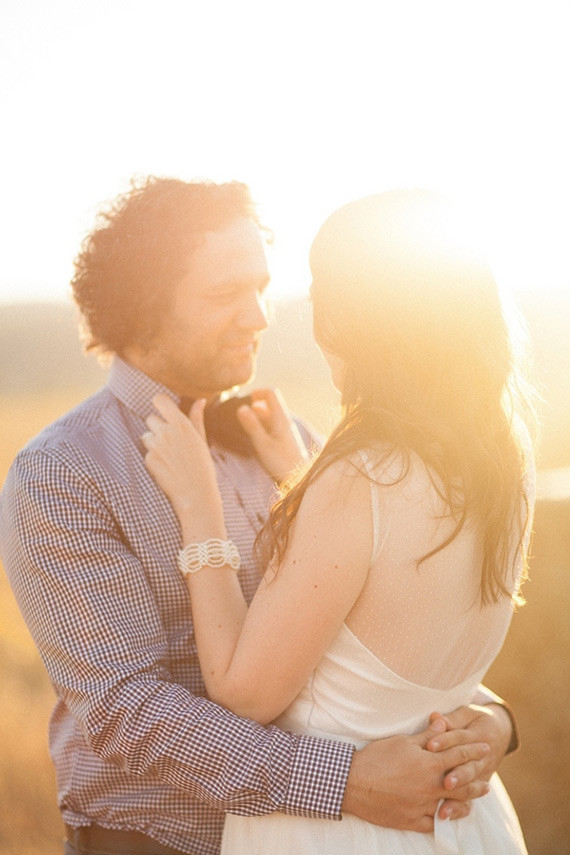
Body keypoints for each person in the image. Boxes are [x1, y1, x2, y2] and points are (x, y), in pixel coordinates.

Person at [0, 177, 518, 855]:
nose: (261, 317)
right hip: (161, 840)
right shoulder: (64, 473)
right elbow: (128, 712)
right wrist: (343, 781)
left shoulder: (297, 442)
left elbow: (367, 642)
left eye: (260, 287)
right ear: (141, 308)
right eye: (224, 294)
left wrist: (491, 719)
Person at [141, 188, 536, 853]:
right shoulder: (505, 454)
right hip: (464, 825)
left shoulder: (359, 477)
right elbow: (395, 625)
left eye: (321, 287)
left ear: (358, 315)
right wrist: (304, 477)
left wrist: (198, 503)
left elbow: (244, 692)